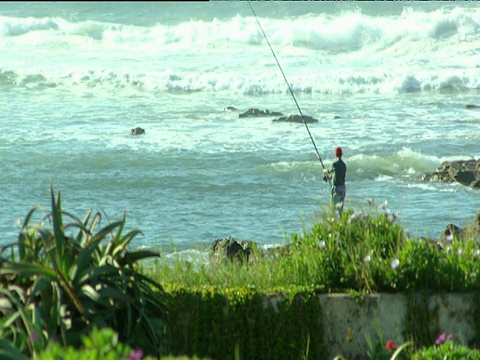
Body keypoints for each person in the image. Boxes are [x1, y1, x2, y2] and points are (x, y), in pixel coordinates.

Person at [323, 147, 347, 217]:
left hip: (336, 190)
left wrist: (324, 170)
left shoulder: (334, 164)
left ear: (335, 154)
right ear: (341, 154)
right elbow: (336, 175)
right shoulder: (344, 165)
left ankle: (333, 226)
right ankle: (342, 225)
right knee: (340, 211)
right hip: (343, 189)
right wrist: (329, 177)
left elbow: (328, 171)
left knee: (332, 210)